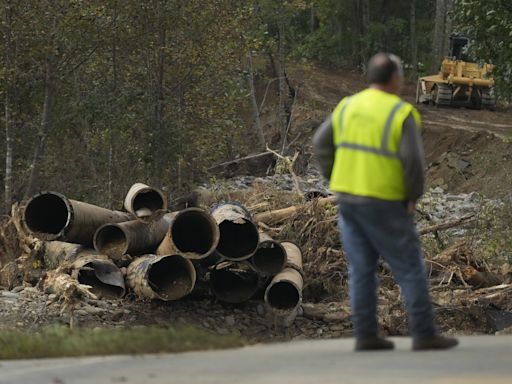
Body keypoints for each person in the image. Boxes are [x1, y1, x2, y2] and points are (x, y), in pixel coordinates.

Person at [313, 53, 458, 351]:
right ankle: (424, 333)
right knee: (408, 267)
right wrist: (412, 196)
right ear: (394, 79)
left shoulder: (347, 106)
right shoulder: (400, 113)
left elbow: (320, 142)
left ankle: (365, 335)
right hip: (386, 202)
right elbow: (413, 162)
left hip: (348, 200)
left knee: (361, 269)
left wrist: (334, 177)